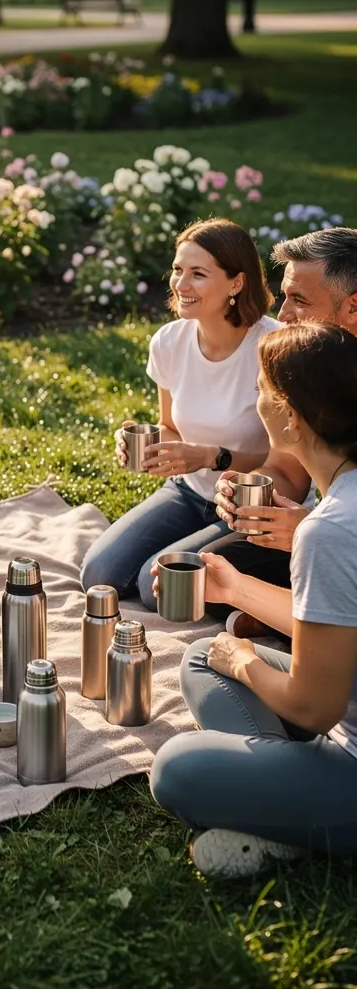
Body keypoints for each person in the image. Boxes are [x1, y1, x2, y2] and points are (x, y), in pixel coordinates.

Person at [151, 322, 357, 879]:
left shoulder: (330, 530)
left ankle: (288, 820)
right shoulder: (342, 500)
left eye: (262, 388)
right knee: (201, 656)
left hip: (350, 759)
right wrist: (234, 587)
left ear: (291, 416)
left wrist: (245, 662)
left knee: (174, 768)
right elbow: (339, 624)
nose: (254, 397)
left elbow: (317, 708)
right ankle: (284, 793)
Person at [80, 218, 279, 609]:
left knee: (158, 587)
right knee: (99, 575)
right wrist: (151, 445)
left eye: (198, 274)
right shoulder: (169, 342)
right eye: (177, 270)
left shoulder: (271, 348)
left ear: (236, 283)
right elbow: (170, 427)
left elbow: (285, 463)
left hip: (247, 506)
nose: (180, 285)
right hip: (188, 492)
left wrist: (212, 456)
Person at [205, 228, 357, 633]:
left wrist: (314, 535)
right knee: (205, 577)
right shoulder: (310, 366)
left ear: (354, 306)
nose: (283, 314)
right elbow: (288, 472)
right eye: (284, 295)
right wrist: (251, 491)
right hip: (324, 531)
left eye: (299, 301)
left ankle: (299, 624)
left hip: (336, 539)